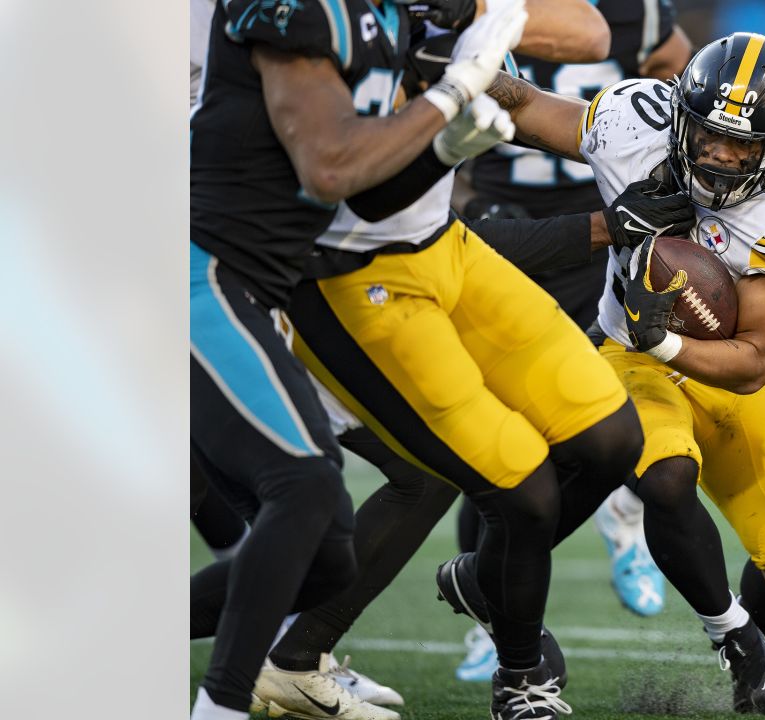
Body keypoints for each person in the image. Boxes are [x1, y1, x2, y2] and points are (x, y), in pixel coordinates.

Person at [484, 32, 765, 716]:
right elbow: (527, 107)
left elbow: (755, 362)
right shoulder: (631, 124)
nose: (726, 156)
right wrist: (467, 75)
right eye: (712, 135)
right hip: (630, 357)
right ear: (680, 113)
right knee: (666, 476)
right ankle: (737, 647)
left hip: (720, 372)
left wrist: (667, 340)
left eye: (747, 145)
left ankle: (748, 649)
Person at [188, 0, 526, 715]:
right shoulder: (303, 10)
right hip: (199, 272)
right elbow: (330, 165)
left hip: (256, 289)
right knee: (303, 488)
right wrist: (452, 91)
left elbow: (366, 199)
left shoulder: (381, 22)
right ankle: (217, 706)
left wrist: (445, 147)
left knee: (325, 556)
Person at [450, 0, 694, 680]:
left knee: (600, 413)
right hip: (510, 228)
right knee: (496, 424)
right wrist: (469, 196)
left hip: (608, 237)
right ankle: (492, 619)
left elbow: (695, 99)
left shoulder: (634, 16)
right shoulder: (473, 16)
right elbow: (448, 116)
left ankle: (620, 513)